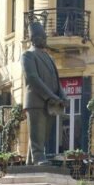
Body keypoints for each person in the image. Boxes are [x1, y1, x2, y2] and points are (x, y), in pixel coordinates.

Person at [21, 21, 68, 164]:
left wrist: (62, 95)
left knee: (41, 136)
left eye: (44, 37)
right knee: (37, 134)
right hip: (36, 102)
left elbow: (56, 79)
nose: (44, 39)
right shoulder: (28, 55)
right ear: (33, 39)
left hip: (51, 103)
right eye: (41, 37)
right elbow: (33, 78)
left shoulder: (49, 57)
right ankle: (38, 158)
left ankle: (30, 162)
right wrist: (51, 96)